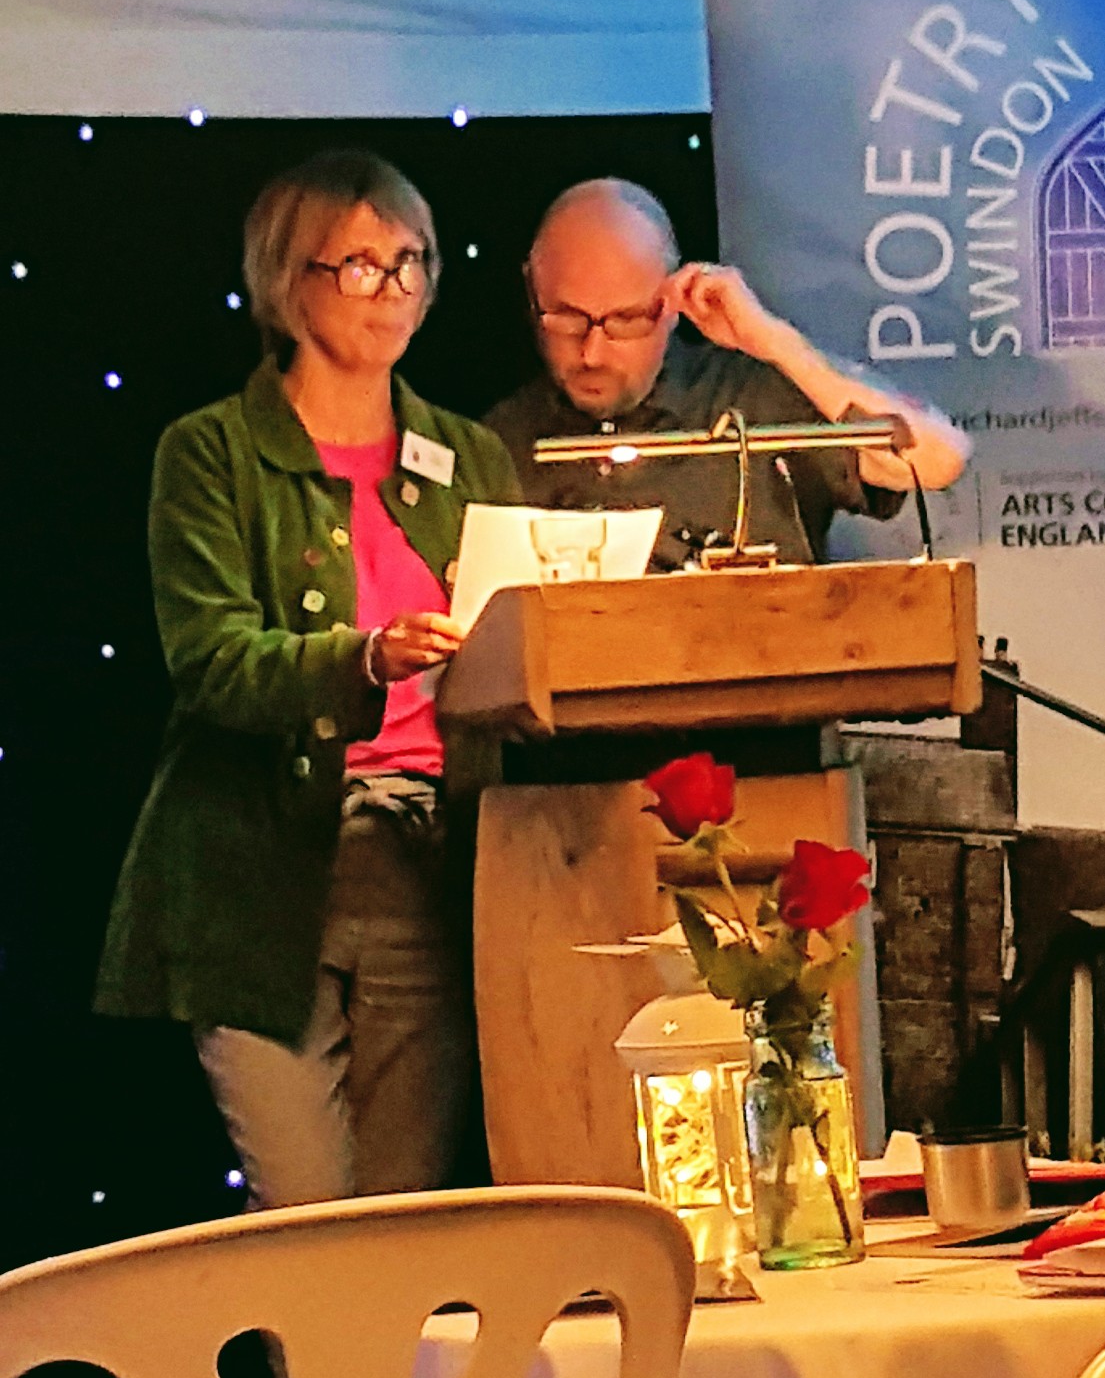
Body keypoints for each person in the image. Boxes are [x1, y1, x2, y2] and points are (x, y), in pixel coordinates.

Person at [95, 148, 520, 1209]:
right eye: (361, 265)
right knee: (305, 1216)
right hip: (264, 875)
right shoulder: (211, 452)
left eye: (412, 262)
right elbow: (212, 661)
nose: (394, 289)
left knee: (400, 1220)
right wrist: (363, 658)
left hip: (429, 869)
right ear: (288, 282)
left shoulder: (468, 455)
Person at [486, 179, 969, 571]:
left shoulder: (756, 400)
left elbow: (938, 459)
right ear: (532, 291)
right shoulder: (498, 445)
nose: (592, 351)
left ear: (671, 303)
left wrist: (775, 341)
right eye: (566, 318)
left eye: (626, 320)